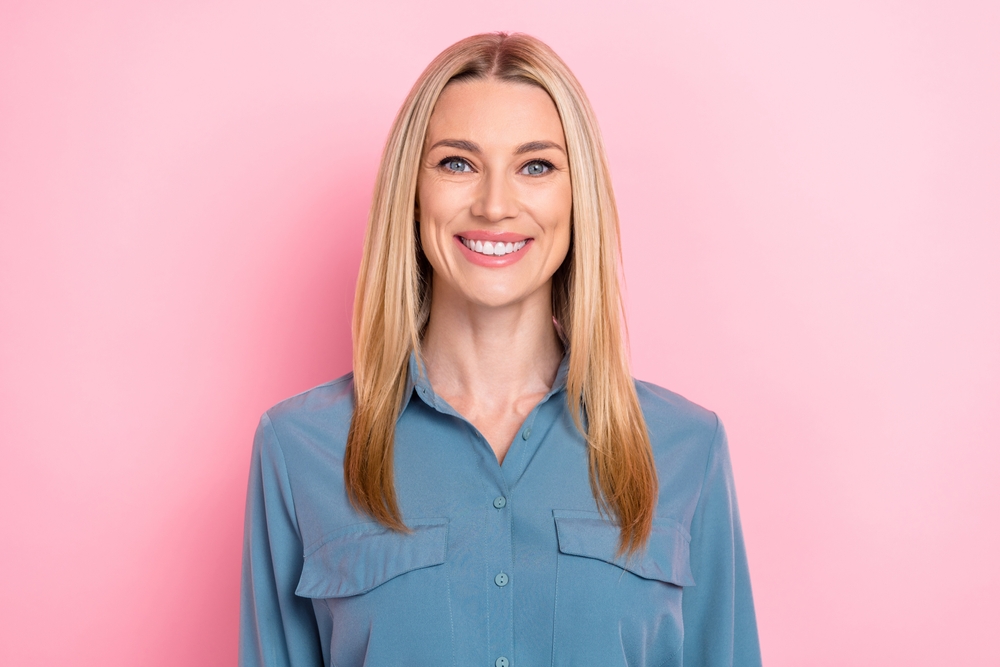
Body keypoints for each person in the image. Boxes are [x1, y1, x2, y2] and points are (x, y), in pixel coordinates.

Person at [240, 32, 761, 667]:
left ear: (577, 197)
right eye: (457, 163)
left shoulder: (685, 448)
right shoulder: (299, 451)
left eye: (535, 166)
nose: (493, 205)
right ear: (413, 191)